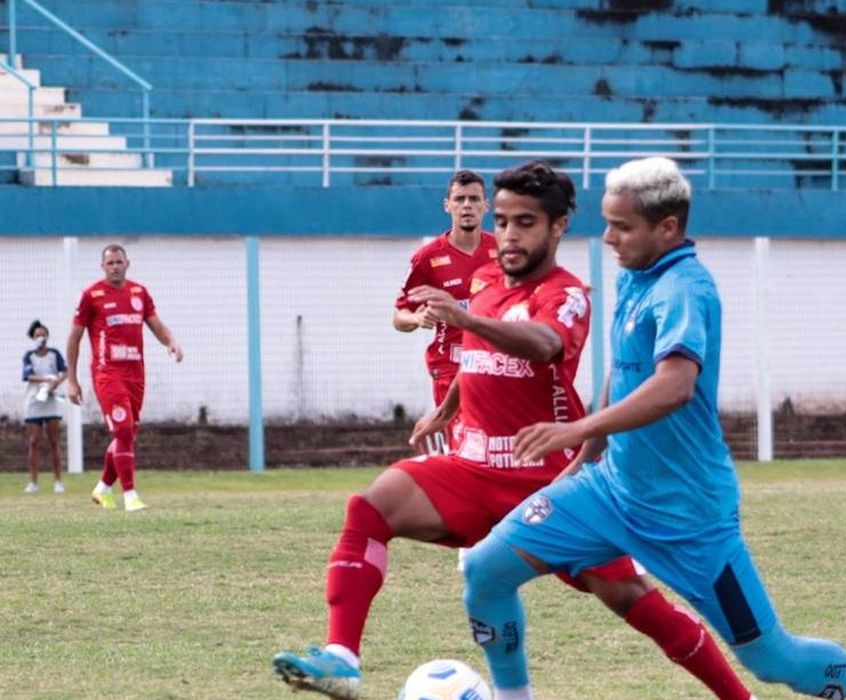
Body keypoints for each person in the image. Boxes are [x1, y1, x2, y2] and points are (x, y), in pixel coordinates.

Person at [461, 157, 846, 700]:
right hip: (610, 491)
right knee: (485, 571)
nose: (608, 238)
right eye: (606, 222)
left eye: (622, 226)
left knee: (772, 658)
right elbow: (623, 372)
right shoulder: (634, 277)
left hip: (689, 515)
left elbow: (674, 385)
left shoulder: (685, 289)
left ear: (667, 227)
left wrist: (575, 430)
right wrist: (586, 458)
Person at [272, 161, 754, 700]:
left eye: (524, 222)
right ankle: (342, 659)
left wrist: (467, 319)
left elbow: (542, 343)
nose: (507, 235)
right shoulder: (483, 285)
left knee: (630, 598)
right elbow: (480, 359)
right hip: (471, 468)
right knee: (370, 507)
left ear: (558, 226)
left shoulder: (567, 294)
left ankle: (741, 697)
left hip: (544, 481)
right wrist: (448, 408)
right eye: (501, 221)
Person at [65, 244, 184, 512]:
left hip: (136, 373)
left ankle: (103, 488)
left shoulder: (139, 292)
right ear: (103, 267)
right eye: (110, 263)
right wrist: (72, 380)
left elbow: (156, 325)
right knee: (122, 430)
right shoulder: (91, 295)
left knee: (127, 434)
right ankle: (130, 496)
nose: (115, 267)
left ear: (127, 264)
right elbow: (74, 338)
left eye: (119, 262)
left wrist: (171, 342)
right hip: (107, 372)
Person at [393, 169, 496, 443]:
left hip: (494, 362)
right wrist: (416, 319)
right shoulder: (427, 258)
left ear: (486, 205)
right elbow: (398, 316)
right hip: (450, 365)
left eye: (474, 199)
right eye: (460, 199)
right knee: (464, 444)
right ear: (447, 205)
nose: (466, 206)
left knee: (495, 441)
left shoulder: (502, 252)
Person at [22, 320, 67, 494]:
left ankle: (58, 481)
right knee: (34, 442)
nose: (41, 337)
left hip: (51, 399)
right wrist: (47, 378)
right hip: (34, 400)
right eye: (37, 335)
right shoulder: (29, 356)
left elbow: (64, 371)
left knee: (54, 441)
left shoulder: (54, 354)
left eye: (43, 334)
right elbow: (28, 376)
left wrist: (56, 383)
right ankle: (33, 482)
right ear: (33, 338)